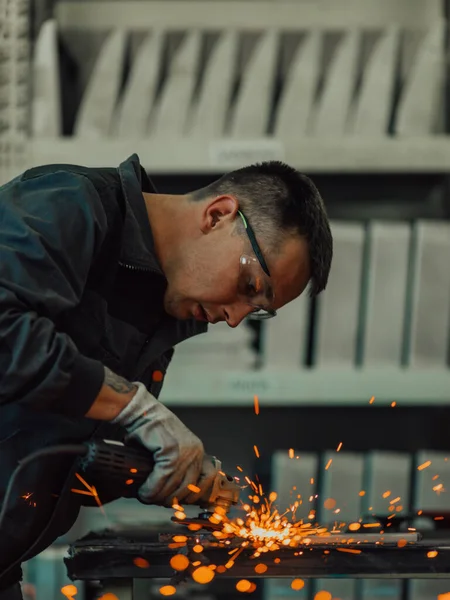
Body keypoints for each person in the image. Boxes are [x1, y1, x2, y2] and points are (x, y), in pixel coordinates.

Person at [0, 154, 332, 598]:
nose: (235, 319)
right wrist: (136, 409)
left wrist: (161, 472)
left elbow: (51, 438)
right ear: (218, 215)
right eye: (250, 287)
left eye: (257, 312)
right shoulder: (66, 202)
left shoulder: (156, 311)